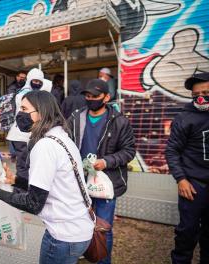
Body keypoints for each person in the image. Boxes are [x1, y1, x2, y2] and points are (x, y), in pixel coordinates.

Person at [0, 90, 94, 264]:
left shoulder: (45, 146)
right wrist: (16, 181)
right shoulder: (61, 137)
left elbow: (33, 203)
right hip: (78, 229)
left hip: (63, 236)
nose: (20, 114)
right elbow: (48, 187)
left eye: (25, 109)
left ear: (41, 112)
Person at [68, 79, 136, 264]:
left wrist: (106, 162)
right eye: (87, 96)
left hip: (106, 182)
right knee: (80, 223)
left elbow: (129, 151)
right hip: (79, 182)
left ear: (106, 97)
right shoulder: (75, 118)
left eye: (95, 96)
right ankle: (86, 251)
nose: (90, 99)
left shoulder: (119, 122)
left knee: (103, 227)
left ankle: (103, 261)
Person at [165, 72, 209, 264]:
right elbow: (172, 151)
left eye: (206, 92)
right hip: (193, 186)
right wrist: (181, 179)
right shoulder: (185, 118)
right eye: (195, 94)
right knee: (186, 233)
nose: (201, 97)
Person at [6, 68, 51, 182]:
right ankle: (22, 191)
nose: (36, 84)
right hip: (21, 135)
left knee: (26, 164)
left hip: (24, 135)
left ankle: (23, 189)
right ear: (29, 79)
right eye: (34, 81)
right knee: (24, 165)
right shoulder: (25, 94)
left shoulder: (25, 92)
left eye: (39, 82)